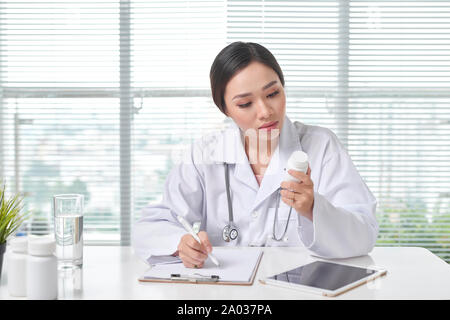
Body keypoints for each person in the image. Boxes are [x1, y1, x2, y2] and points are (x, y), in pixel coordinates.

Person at [132, 42, 378, 268]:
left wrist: (313, 208)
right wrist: (181, 244)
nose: (265, 111)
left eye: (273, 94)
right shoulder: (204, 154)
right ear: (225, 108)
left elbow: (364, 232)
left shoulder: (322, 146)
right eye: (245, 104)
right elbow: (150, 228)